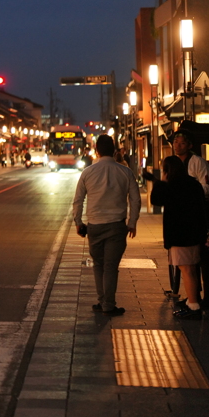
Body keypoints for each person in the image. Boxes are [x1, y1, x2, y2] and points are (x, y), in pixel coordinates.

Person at [72, 134, 141, 316]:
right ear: (115, 150)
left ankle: (102, 301)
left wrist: (78, 223)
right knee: (111, 266)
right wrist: (132, 222)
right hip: (117, 226)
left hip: (94, 225)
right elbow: (135, 198)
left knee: (98, 265)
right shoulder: (125, 172)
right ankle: (108, 304)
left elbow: (78, 200)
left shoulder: (88, 172)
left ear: (97, 151)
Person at [147, 155, 209, 319]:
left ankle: (194, 307)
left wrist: (158, 182)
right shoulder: (193, 184)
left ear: (167, 171)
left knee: (186, 269)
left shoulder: (172, 186)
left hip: (179, 235)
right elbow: (202, 208)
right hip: (195, 234)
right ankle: (192, 302)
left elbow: (156, 200)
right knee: (192, 269)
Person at [171, 130, 209, 309]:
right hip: (180, 213)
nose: (177, 146)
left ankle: (208, 295)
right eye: (176, 143)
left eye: (182, 143)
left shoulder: (197, 162)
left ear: (189, 145)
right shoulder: (173, 163)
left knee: (201, 255)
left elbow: (208, 186)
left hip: (197, 211)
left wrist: (190, 193)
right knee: (188, 257)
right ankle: (193, 295)